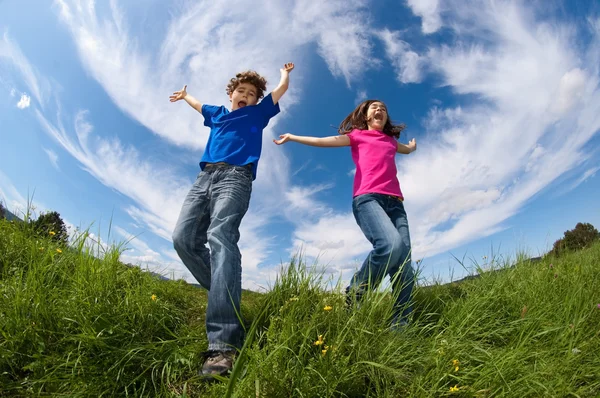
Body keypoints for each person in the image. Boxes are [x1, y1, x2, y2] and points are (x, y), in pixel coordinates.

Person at [170, 63, 294, 378]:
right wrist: (185, 97)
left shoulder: (257, 115)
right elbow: (199, 106)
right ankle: (227, 297)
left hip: (236, 178)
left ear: (256, 101)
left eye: (252, 94)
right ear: (232, 94)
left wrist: (284, 74)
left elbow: (279, 92)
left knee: (220, 236)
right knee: (183, 239)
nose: (246, 96)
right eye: (242, 91)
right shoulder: (218, 114)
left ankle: (223, 344)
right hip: (204, 178)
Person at [273, 99, 416, 328]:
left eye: (384, 109)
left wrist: (412, 147)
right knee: (390, 245)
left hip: (396, 205)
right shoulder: (358, 136)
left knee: (405, 265)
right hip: (368, 198)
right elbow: (323, 141)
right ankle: (357, 292)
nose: (380, 110)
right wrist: (293, 137)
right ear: (366, 116)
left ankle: (401, 325)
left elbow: (405, 150)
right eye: (374, 108)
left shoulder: (390, 141)